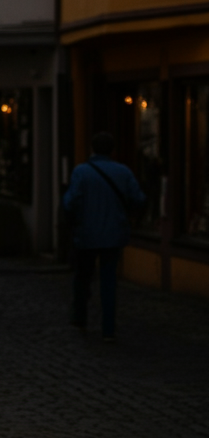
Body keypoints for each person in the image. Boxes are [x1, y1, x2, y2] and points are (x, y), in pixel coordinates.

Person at [63, 131, 146, 342]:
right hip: (113, 234)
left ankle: (80, 317)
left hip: (86, 235)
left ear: (92, 149)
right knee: (109, 282)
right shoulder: (123, 171)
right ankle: (108, 328)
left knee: (83, 277)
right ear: (112, 150)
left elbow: (70, 202)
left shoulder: (81, 171)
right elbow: (138, 199)